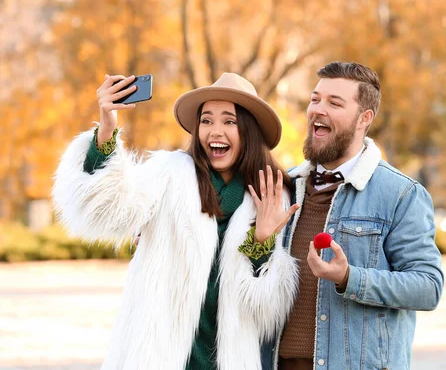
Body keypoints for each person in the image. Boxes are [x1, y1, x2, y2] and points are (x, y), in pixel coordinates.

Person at [52, 72, 300, 370]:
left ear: (249, 129)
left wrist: (261, 242)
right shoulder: (169, 174)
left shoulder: (272, 195)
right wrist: (106, 131)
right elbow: (107, 207)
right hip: (156, 356)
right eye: (206, 120)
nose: (215, 131)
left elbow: (265, 312)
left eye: (229, 121)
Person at [268, 62, 444, 369]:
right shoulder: (284, 186)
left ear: (364, 118)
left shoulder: (400, 194)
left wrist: (350, 278)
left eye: (334, 103)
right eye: (315, 99)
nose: (318, 110)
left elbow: (428, 287)